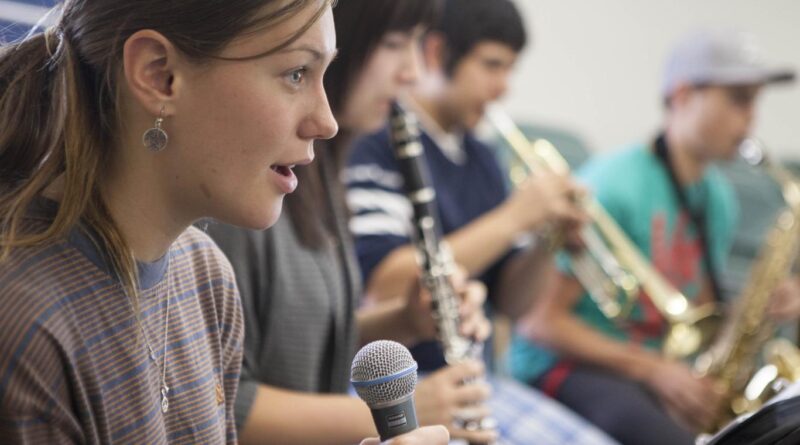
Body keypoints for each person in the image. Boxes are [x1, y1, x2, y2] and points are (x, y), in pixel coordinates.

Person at [0, 1, 446, 444]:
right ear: (160, 75)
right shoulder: (27, 325)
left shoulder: (205, 275)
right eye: (296, 74)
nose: (325, 122)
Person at [206, 1, 499, 444]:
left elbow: (301, 344)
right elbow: (226, 400)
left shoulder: (320, 173)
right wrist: (405, 409)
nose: (413, 72)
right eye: (396, 44)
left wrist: (405, 320)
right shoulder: (242, 190)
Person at [344, 1, 618, 444]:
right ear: (435, 52)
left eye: (510, 69)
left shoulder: (483, 157)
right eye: (491, 66)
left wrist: (547, 240)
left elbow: (513, 304)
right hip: (398, 388)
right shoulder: (375, 140)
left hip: (476, 380)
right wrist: (514, 218)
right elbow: (384, 283)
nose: (502, 88)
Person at [507, 29, 799, 445]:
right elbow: (540, 323)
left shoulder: (718, 198)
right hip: (563, 366)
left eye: (755, 101)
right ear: (682, 96)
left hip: (648, 367)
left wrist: (761, 309)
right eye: (738, 99)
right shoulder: (614, 185)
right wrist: (654, 371)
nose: (751, 117)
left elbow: (699, 310)